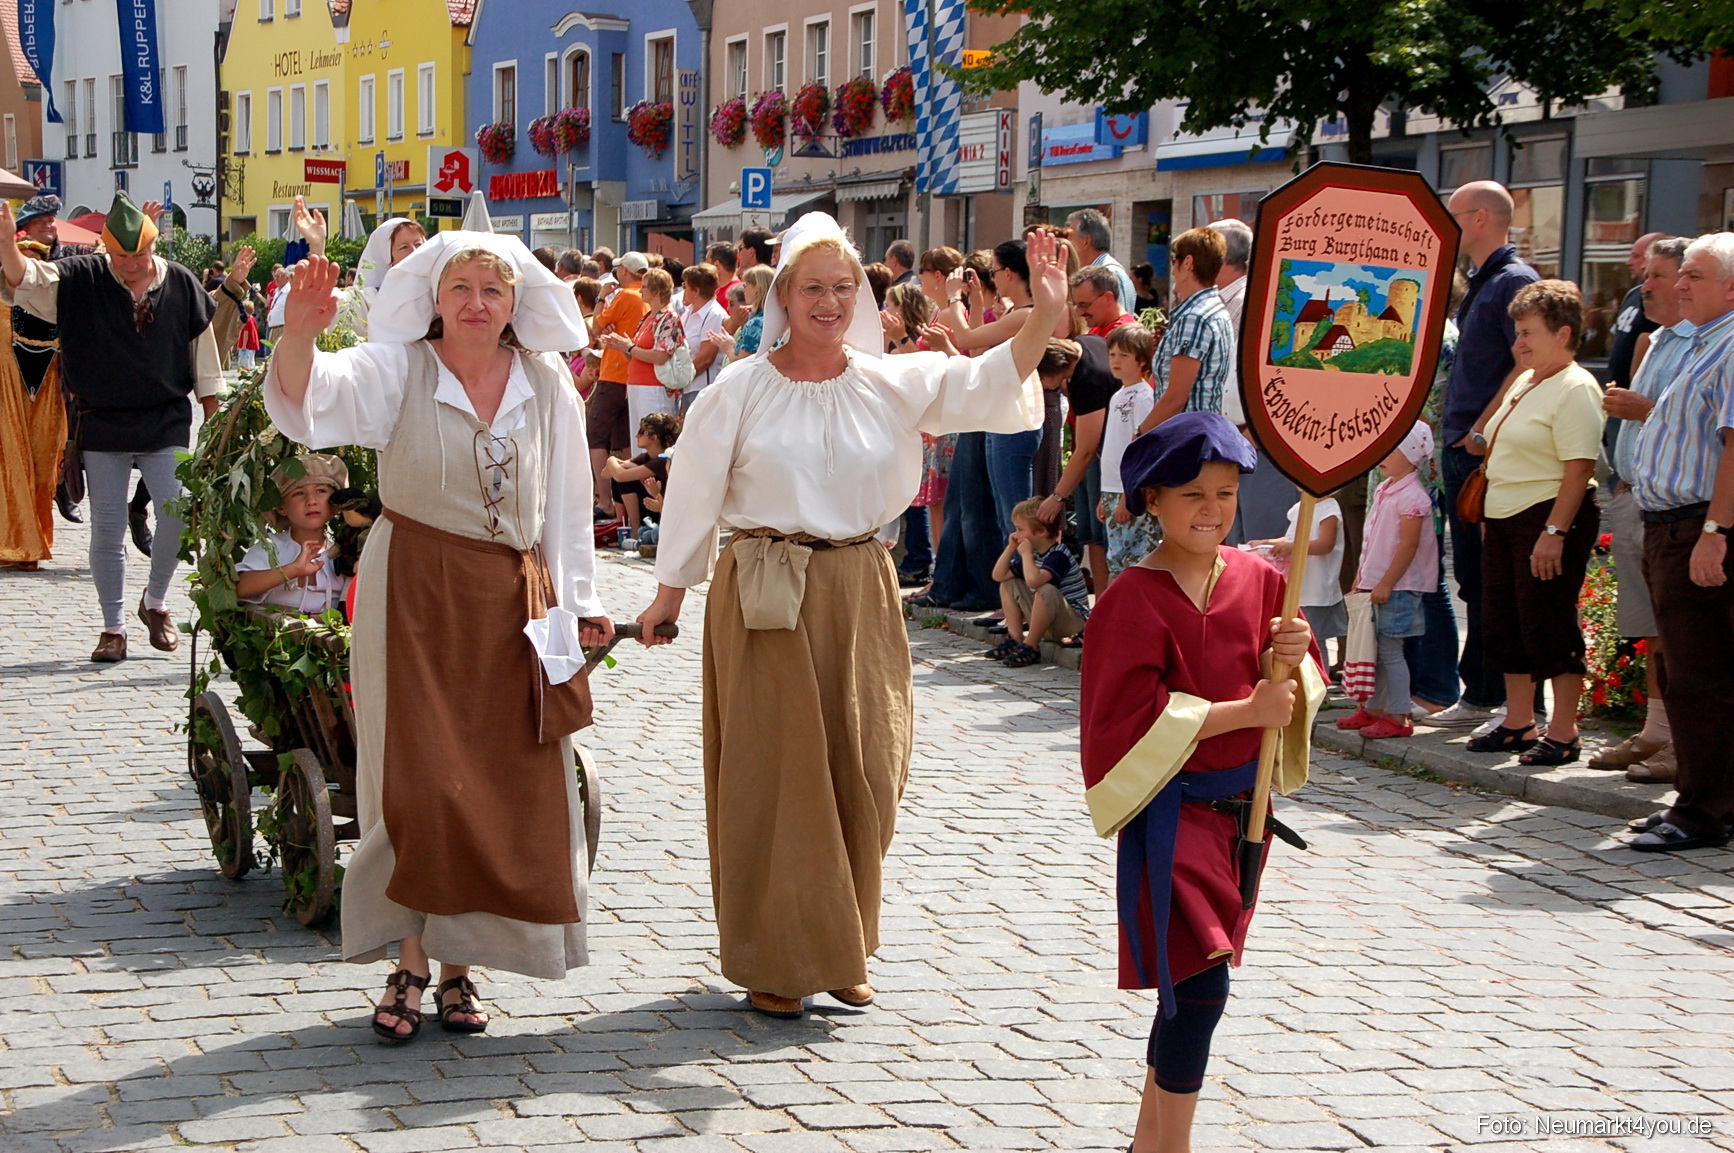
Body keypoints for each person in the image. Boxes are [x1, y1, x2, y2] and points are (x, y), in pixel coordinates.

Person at [635, 214, 1064, 1018]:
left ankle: (840, 939)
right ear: (785, 298)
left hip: (862, 585)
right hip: (766, 586)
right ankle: (780, 954)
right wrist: (669, 593)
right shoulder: (740, 388)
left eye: (843, 287)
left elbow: (990, 383)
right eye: (812, 288)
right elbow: (692, 487)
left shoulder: (889, 379)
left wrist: (1041, 313)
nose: (829, 302)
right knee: (777, 776)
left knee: (867, 768)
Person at [263, 232, 614, 1041]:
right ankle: (411, 958)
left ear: (515, 302)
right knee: (418, 783)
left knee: (495, 783)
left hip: (511, 599)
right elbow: (313, 396)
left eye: (493, 289)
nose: (476, 303)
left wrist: (577, 611)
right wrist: (301, 334)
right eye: (461, 286)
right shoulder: (399, 368)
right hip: (413, 591)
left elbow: (565, 510)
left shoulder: (546, 381)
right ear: (434, 296)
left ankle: (461, 969)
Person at [1079, 412, 1323, 1153]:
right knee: (1202, 986)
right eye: (1191, 494)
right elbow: (1122, 723)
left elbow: (1294, 689)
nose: (1212, 508)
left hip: (1243, 817)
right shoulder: (1131, 600)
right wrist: (1241, 710)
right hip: (1171, 818)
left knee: (1192, 987)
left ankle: (1147, 1140)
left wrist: (1300, 652)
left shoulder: (1262, 579)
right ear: (1152, 499)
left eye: (1225, 491)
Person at [0, 194, 222, 660]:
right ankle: (113, 627)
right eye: (122, 256)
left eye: (140, 253)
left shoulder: (179, 282)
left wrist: (214, 419)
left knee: (178, 516)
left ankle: (155, 601)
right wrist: (6, 244)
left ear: (153, 244)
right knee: (106, 527)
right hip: (101, 420)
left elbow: (204, 359)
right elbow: (26, 279)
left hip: (165, 419)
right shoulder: (82, 276)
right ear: (107, 249)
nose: (132, 264)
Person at [1625, 231, 1734, 852]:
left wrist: (1714, 533)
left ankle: (1701, 813)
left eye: (1694, 274)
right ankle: (1702, 798)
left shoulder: (1730, 344)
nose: (1679, 284)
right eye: (1681, 273)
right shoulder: (1699, 341)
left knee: (1700, 676)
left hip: (1698, 525)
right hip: (1671, 525)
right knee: (1691, 670)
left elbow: (1732, 447)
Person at [1464, 281, 1603, 765]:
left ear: (1562, 333)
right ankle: (1518, 722)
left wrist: (1554, 533)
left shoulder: (1577, 386)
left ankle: (1564, 732)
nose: (1517, 343)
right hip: (1505, 518)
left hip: (1548, 516)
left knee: (1550, 622)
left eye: (1528, 333)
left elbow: (1579, 467)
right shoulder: (1527, 380)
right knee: (1504, 621)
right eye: (1517, 333)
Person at [1434, 181, 1541, 729]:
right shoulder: (1486, 281)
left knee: (1489, 575)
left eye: (1453, 215)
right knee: (1475, 575)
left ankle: (1495, 696)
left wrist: (1480, 428)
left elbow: (1528, 363)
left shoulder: (1514, 282)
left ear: (1479, 219)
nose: (1446, 226)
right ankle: (1483, 690)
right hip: (1464, 445)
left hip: (1482, 449)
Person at [1592, 237, 1691, 783]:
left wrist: (1642, 408)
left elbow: (1705, 427)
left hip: (1684, 509)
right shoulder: (1656, 342)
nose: (1644, 286)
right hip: (1636, 498)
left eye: (1659, 275)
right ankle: (1658, 729)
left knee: (1684, 633)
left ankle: (1687, 742)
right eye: (1646, 274)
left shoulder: (1712, 345)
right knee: (1655, 628)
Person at [1336, 422, 1438, 740]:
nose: (1381, 454)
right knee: (1375, 649)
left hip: (1399, 586)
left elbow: (1407, 545)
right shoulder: (1385, 488)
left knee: (1391, 651)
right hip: (1378, 583)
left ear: (1409, 455)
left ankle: (1399, 714)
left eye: (1390, 449)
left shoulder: (1413, 497)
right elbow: (1372, 540)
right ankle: (1375, 707)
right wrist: (1363, 577)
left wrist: (1386, 583)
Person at [0, 198, 69, 568]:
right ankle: (16, 543)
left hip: (47, 381)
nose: (49, 226)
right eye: (40, 221)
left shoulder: (65, 270)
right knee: (11, 461)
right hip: (8, 378)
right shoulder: (13, 265)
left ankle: (32, 541)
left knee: (43, 464)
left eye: (51, 221)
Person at [1037, 335, 1115, 597]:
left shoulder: (1088, 379)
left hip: (1111, 459)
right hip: (1107, 453)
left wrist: (1058, 497)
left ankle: (1107, 605)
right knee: (1092, 533)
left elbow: (1086, 450)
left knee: (1100, 532)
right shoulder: (1085, 342)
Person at [1139, 228, 1234, 433]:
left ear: (1188, 263)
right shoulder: (1214, 308)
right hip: (1201, 434)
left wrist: (1140, 433)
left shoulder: (1195, 317)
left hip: (1185, 439)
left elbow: (1176, 398)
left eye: (1175, 260)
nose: (1172, 269)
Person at [236, 454, 352, 614]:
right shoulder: (272, 547)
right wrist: (293, 570)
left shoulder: (343, 554)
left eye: (321, 491)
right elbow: (240, 588)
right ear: (281, 508)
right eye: (298, 493)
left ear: (334, 505)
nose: (311, 500)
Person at [987, 496, 1090, 667]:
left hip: (1071, 623)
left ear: (1041, 531)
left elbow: (1035, 582)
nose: (1016, 535)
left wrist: (1026, 555)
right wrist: (1010, 548)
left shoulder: (1058, 556)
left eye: (1020, 529)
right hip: (1047, 621)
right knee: (1009, 583)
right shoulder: (1034, 554)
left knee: (1045, 590)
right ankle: (1016, 638)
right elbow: (999, 576)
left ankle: (1031, 646)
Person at [588, 251, 650, 515]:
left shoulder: (625, 295)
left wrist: (602, 296)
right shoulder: (643, 298)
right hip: (630, 375)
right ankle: (625, 501)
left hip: (614, 374)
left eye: (619, 269)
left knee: (596, 435)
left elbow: (596, 325)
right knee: (626, 440)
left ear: (625, 271)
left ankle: (605, 500)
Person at [1252, 495, 1345, 670]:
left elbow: (1325, 544)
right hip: (1299, 587)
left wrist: (1292, 547)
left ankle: (1321, 688)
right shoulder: (1299, 507)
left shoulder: (1329, 507)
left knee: (1315, 639)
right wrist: (1268, 543)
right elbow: (1291, 537)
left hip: (1317, 588)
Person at [1098, 324, 1160, 579]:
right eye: (1112, 354)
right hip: (1111, 488)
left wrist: (1128, 494)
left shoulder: (1145, 397)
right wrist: (1106, 495)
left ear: (1142, 360)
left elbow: (1142, 449)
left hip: (1130, 489)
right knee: (1116, 557)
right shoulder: (1117, 395)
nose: (1116, 360)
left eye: (1124, 355)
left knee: (1135, 559)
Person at [600, 266, 682, 431]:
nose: (640, 290)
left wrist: (629, 347)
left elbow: (661, 357)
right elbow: (633, 355)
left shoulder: (669, 317)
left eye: (644, 287)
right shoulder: (647, 317)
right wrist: (620, 345)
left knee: (654, 439)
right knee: (640, 440)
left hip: (654, 389)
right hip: (637, 387)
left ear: (656, 291)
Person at [601, 412, 678, 541]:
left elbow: (620, 475)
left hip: (660, 510)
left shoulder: (662, 460)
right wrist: (626, 466)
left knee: (624, 477)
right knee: (619, 475)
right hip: (650, 506)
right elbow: (606, 474)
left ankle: (635, 530)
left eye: (642, 432)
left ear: (653, 438)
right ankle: (622, 525)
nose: (637, 435)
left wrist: (611, 459)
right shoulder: (646, 457)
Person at [1067, 207, 1137, 315]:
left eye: (1070, 237)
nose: (1067, 243)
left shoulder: (1109, 273)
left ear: (1086, 241)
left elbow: (1116, 324)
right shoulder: (1106, 271)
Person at [678, 264, 727, 411]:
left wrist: (681, 378)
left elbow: (706, 357)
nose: (683, 289)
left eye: (685, 285)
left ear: (697, 290)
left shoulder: (714, 314)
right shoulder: (688, 312)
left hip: (702, 389)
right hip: (687, 387)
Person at [1073, 265, 1134, 336]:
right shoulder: (1100, 325)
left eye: (1084, 305)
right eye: (1077, 306)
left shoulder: (1124, 337)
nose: (1080, 313)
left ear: (1108, 298)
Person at [707, 241, 740, 306]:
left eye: (706, 261)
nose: (704, 265)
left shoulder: (734, 293)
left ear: (716, 265)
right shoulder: (717, 290)